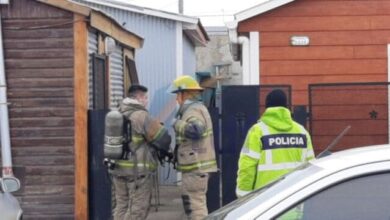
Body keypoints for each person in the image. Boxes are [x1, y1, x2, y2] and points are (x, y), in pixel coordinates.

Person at [236, 89, 315, 197]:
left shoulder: (257, 131)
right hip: (294, 197)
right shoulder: (301, 131)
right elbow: (310, 166)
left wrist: (243, 195)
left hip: (266, 200)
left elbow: (247, 166)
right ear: (286, 107)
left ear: (266, 108)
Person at [110, 84, 171, 220]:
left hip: (117, 171)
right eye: (145, 98)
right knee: (137, 209)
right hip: (137, 173)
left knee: (121, 206)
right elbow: (163, 138)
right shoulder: (141, 116)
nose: (147, 101)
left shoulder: (117, 113)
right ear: (138, 97)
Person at [170, 75, 217, 220]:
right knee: (196, 205)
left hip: (195, 168)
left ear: (185, 94)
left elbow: (197, 130)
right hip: (198, 167)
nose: (177, 99)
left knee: (195, 208)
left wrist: (176, 123)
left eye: (177, 94)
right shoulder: (197, 108)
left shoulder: (192, 111)